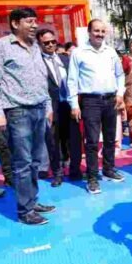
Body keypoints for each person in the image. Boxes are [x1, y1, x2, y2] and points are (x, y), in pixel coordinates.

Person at [0, 7, 55, 225]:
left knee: (36, 162)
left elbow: (41, 78)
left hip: (39, 109)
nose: (34, 25)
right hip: (17, 111)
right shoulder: (1, 47)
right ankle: (25, 211)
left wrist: (48, 106)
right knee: (22, 163)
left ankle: (32, 201)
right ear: (15, 23)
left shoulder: (35, 47)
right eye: (29, 21)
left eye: (35, 21)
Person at [67, 19, 126, 194]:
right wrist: (74, 104)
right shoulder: (78, 53)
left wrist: (120, 94)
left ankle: (108, 169)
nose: (99, 34)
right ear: (89, 32)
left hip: (111, 100)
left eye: (102, 31)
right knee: (92, 141)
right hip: (90, 102)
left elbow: (120, 75)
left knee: (110, 138)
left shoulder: (111, 52)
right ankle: (92, 177)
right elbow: (72, 80)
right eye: (96, 31)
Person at [37, 28, 82, 186]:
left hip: (69, 105)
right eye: (46, 43)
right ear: (39, 44)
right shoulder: (37, 62)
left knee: (74, 140)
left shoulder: (66, 59)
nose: (50, 45)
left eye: (53, 41)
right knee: (53, 142)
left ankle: (75, 171)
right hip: (51, 107)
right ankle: (57, 173)